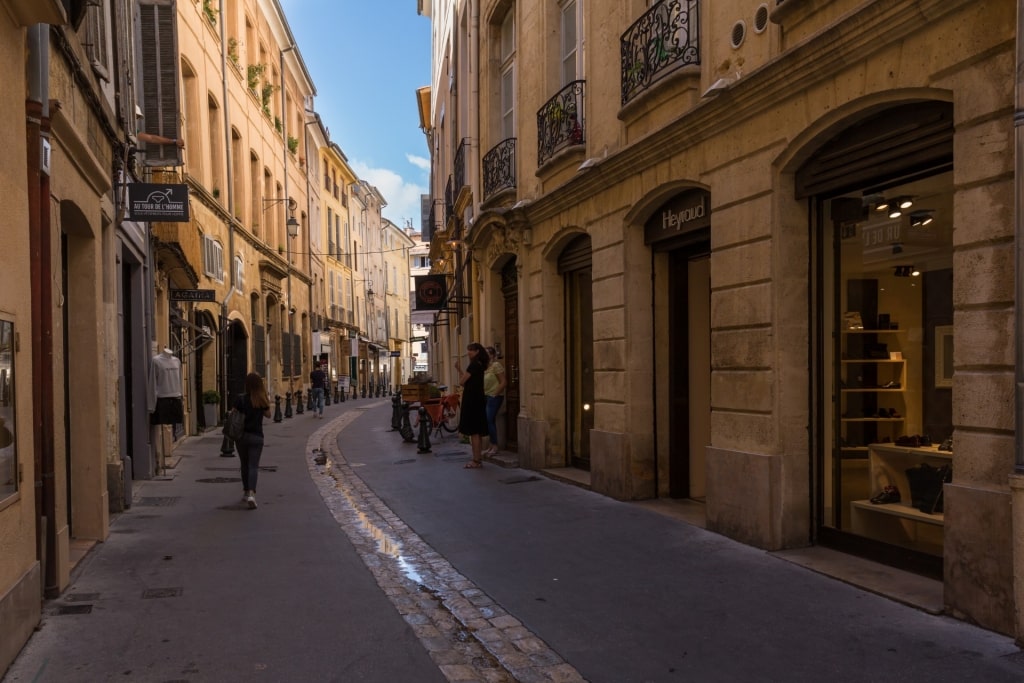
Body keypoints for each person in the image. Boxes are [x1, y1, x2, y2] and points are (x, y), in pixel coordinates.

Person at [234, 372, 271, 509]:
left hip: (241, 437)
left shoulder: (240, 399)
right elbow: (268, 415)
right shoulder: (261, 399)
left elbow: (233, 415)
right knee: (253, 466)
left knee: (244, 464)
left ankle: (245, 492)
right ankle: (251, 493)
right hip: (256, 436)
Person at [456, 342, 490, 468]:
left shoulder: (473, 365)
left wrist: (460, 372)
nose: (468, 352)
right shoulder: (480, 365)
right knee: (477, 432)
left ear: (477, 352)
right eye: (468, 349)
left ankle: (476, 460)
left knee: (474, 432)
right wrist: (459, 369)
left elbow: (462, 382)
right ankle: (478, 458)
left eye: (471, 350)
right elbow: (467, 382)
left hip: (472, 400)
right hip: (479, 399)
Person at [483, 346, 507, 456]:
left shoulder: (496, 366)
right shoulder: (485, 368)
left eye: (488, 353)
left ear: (492, 355)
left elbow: (503, 382)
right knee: (489, 421)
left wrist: (494, 394)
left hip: (495, 397)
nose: (486, 355)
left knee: (489, 420)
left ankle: (495, 446)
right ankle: (491, 445)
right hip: (486, 396)